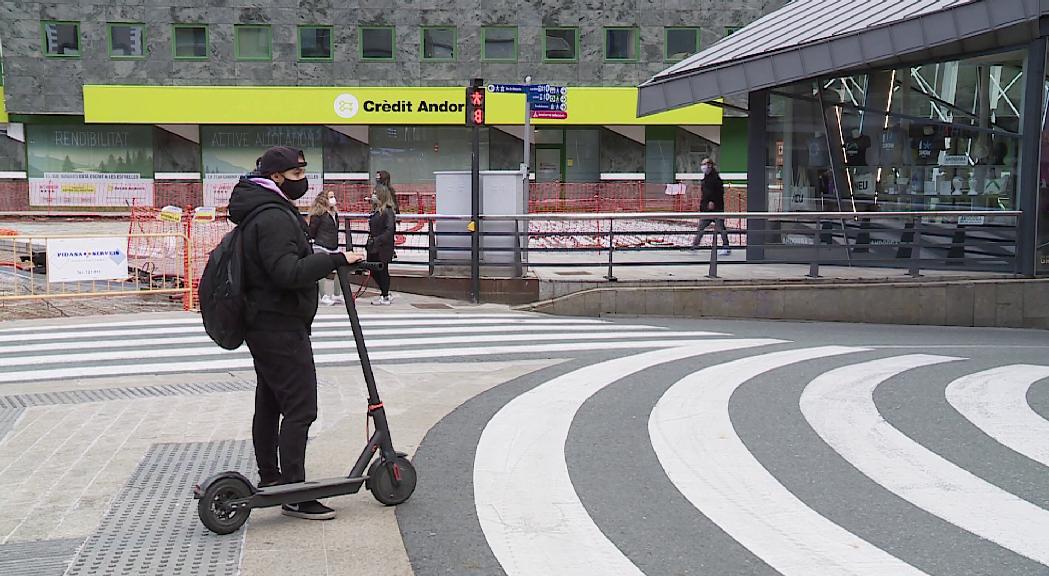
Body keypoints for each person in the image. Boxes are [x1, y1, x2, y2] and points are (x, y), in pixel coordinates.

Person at [228, 146, 364, 521]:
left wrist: (317, 253)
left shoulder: (262, 209)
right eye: (296, 175)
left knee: (271, 404)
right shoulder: (271, 216)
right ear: (276, 178)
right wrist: (334, 259)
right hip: (278, 323)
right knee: (301, 408)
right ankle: (294, 491)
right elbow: (286, 272)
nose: (303, 181)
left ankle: (274, 481)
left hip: (267, 321)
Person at [307, 190, 343, 306]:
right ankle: (323, 296)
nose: (333, 199)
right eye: (330, 197)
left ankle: (337, 294)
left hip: (334, 246)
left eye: (333, 196)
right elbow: (312, 231)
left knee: (341, 268)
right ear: (324, 199)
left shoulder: (334, 213)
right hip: (321, 245)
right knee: (321, 270)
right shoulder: (318, 214)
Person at [691, 158, 731, 256]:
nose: (703, 167)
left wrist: (712, 201)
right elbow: (705, 193)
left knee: (721, 228)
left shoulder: (715, 178)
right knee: (701, 227)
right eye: (702, 164)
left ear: (710, 166)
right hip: (706, 209)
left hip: (716, 209)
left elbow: (718, 192)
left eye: (705, 164)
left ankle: (726, 247)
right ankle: (695, 246)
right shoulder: (706, 177)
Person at [367, 184, 397, 305]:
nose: (373, 195)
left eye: (375, 193)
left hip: (383, 246)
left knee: (382, 270)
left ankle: (385, 295)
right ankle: (385, 292)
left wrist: (378, 240)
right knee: (372, 269)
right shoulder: (375, 211)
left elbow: (389, 230)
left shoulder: (388, 211)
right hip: (374, 245)